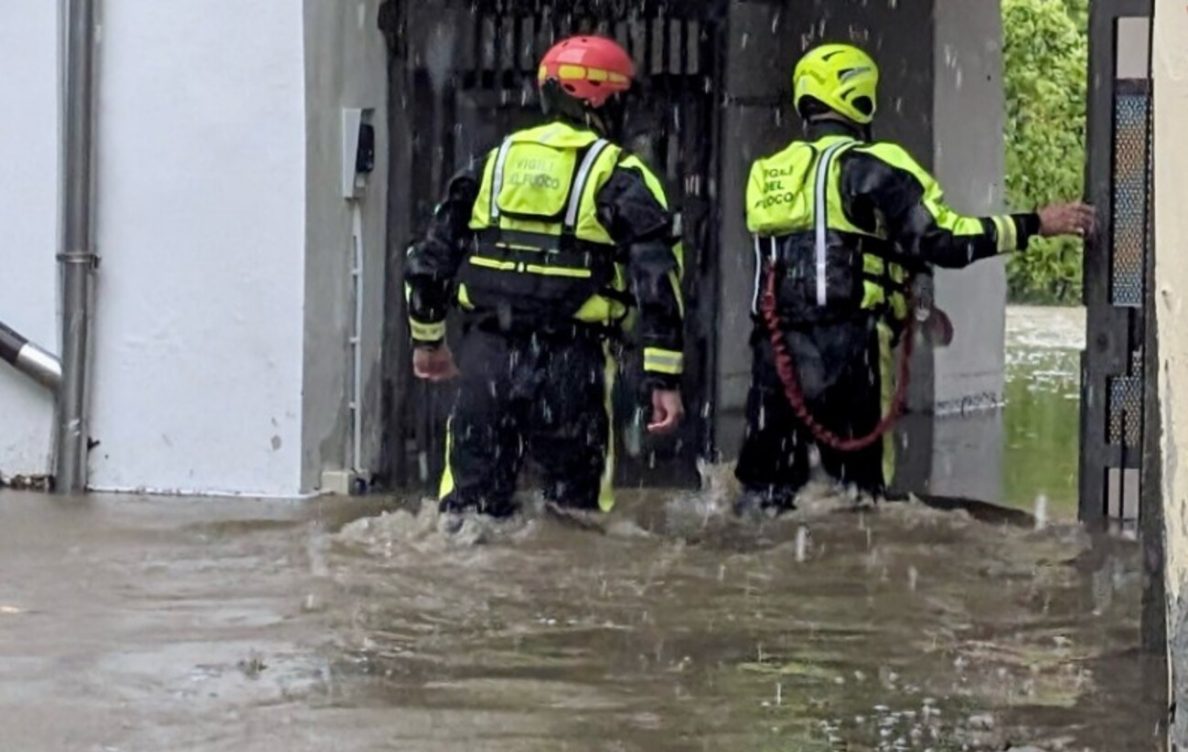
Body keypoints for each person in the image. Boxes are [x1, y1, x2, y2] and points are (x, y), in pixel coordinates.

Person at [735, 43, 1095, 513]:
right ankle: (851, 579)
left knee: (763, 497)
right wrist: (1034, 224)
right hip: (852, 350)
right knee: (859, 500)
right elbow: (939, 240)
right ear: (860, 96)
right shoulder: (875, 165)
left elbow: (876, 250)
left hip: (774, 353)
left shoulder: (769, 172)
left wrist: (922, 308)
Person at [405, 34, 686, 521]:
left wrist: (429, 341)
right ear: (601, 99)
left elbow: (429, 259)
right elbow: (657, 280)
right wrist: (664, 376)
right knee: (575, 519)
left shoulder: (491, 164)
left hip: (486, 358)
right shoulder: (619, 173)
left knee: (466, 517)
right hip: (573, 366)